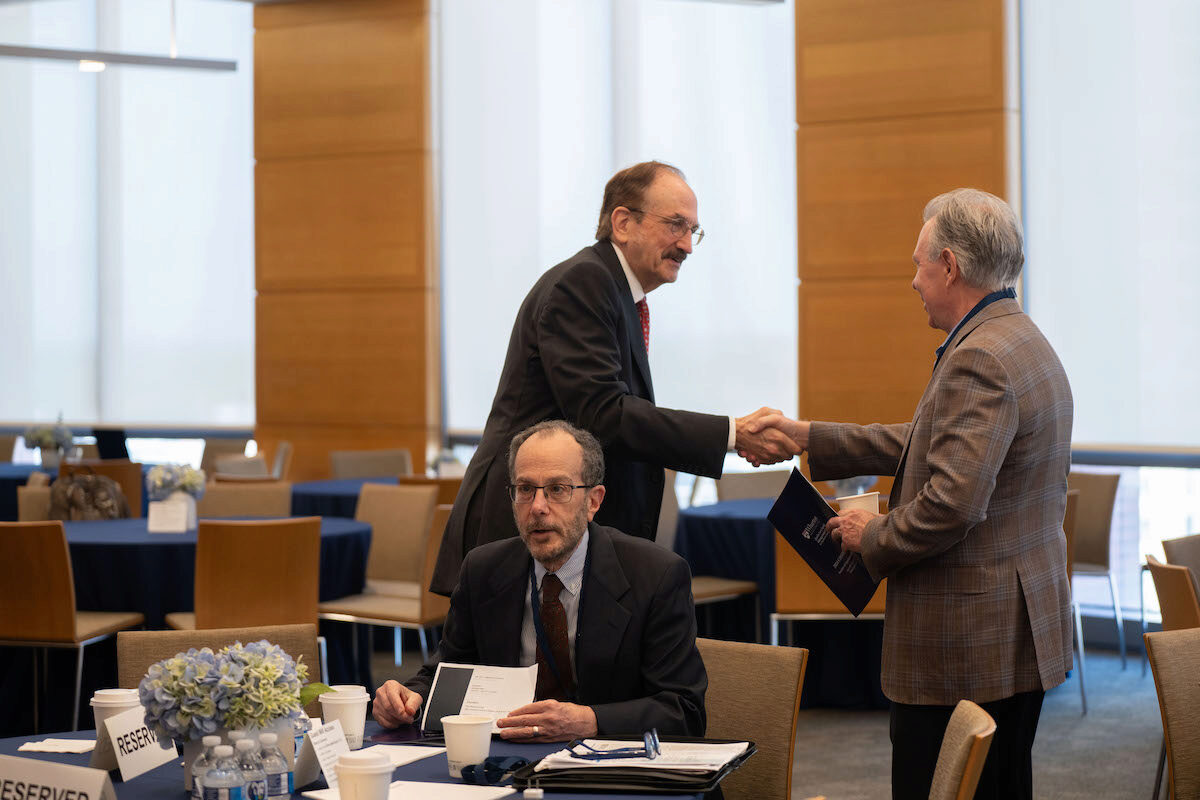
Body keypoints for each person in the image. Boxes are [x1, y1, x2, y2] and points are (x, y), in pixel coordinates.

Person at [748, 189, 1073, 800]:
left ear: (949, 265)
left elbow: (951, 504)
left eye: (919, 263)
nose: (913, 281)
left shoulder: (980, 357)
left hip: (968, 643)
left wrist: (870, 535)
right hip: (1006, 630)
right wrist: (809, 437)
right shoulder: (1016, 337)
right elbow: (930, 441)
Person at [430, 160, 795, 595]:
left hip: (557, 523)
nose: (688, 246)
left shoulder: (614, 289)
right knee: (508, 662)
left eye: (692, 230)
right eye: (675, 225)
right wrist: (732, 434)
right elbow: (604, 414)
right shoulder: (585, 283)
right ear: (622, 222)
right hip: (520, 521)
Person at [375, 419, 707, 740]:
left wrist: (589, 720)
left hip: (606, 765)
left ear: (593, 501)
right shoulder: (483, 569)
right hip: (506, 757)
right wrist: (409, 696)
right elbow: (448, 671)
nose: (537, 507)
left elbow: (684, 710)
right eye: (525, 489)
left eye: (557, 489)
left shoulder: (655, 575)